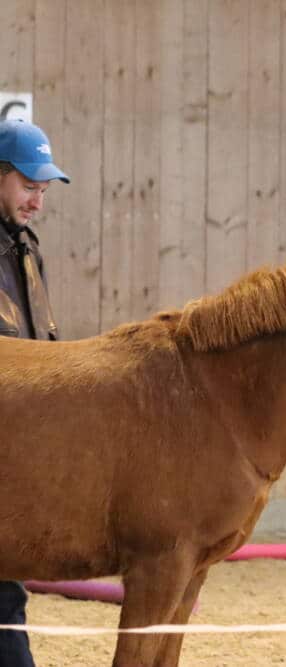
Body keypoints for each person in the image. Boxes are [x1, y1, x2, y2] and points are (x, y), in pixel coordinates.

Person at [0, 119, 70, 667]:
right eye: (28, 187)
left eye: (43, 191)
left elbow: (41, 343)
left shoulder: (26, 249)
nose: (37, 201)